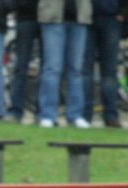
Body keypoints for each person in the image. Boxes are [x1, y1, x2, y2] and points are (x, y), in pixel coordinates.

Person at [82, 0, 128, 128]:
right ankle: (85, 115)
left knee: (109, 72)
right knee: (86, 71)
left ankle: (111, 115)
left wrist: (124, 14)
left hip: (111, 19)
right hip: (87, 19)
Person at [37, 0, 92, 128]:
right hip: (52, 17)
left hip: (80, 18)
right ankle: (48, 115)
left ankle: (75, 115)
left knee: (76, 70)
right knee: (52, 68)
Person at [7, 0, 39, 122]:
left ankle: (43, 111)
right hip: (25, 17)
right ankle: (16, 109)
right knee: (20, 67)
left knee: (49, 69)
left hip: (49, 19)